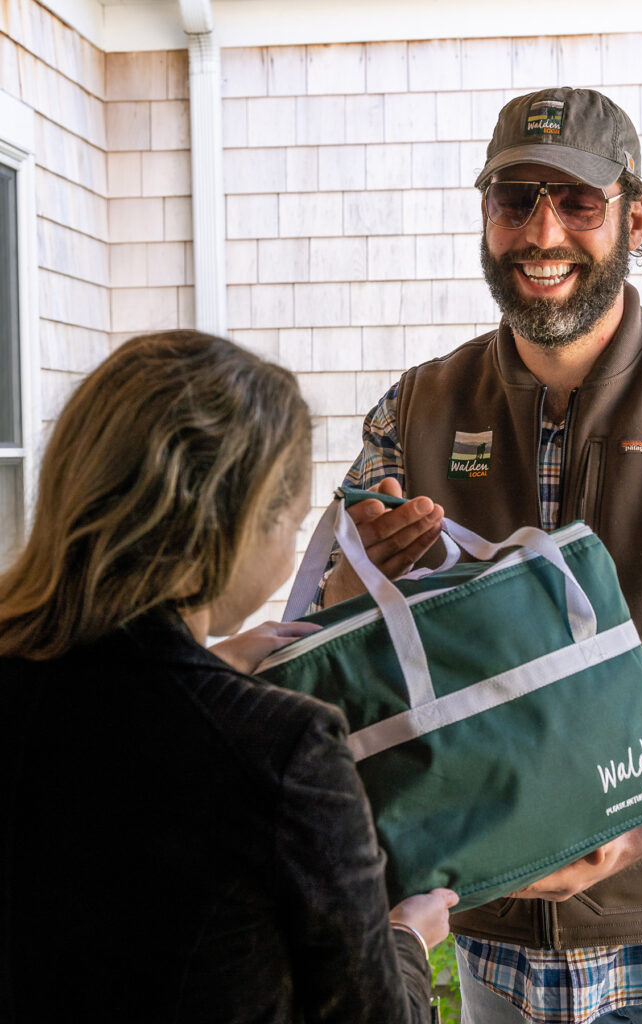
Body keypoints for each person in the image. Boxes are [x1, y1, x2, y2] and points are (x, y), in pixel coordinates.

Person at [322, 88, 642, 1023]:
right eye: (515, 202)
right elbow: (344, 638)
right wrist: (366, 567)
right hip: (501, 951)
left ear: (635, 216)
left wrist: (630, 833)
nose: (542, 233)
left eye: (576, 203)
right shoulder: (413, 409)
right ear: (485, 217)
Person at [0, 330, 457, 1023]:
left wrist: (204, 669)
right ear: (234, 524)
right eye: (293, 520)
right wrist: (406, 939)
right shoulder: (282, 749)